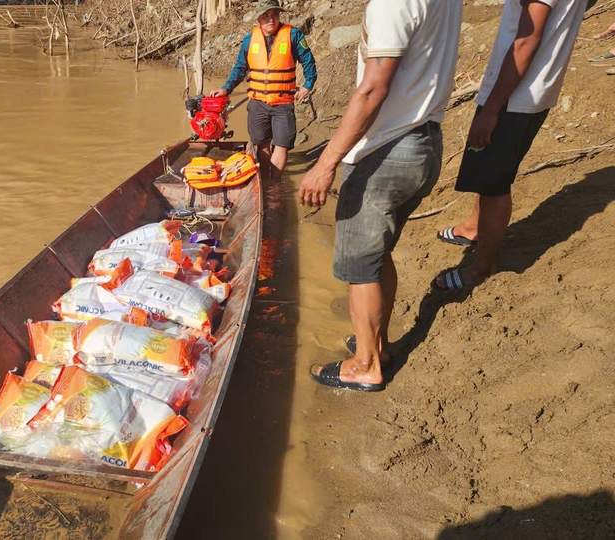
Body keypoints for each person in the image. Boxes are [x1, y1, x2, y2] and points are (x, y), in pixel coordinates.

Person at [298, 0, 462, 391]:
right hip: (423, 141)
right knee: (377, 255)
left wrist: (326, 163)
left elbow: (373, 89)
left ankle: (366, 365)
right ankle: (377, 345)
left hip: (386, 150)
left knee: (360, 266)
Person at [433, 0, 589, 291]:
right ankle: (474, 227)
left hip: (515, 95)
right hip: (532, 89)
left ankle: (481, 267)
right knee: (488, 172)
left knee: (494, 185)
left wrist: (492, 108)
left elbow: (526, 40)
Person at [210, 0, 317, 181]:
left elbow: (308, 61)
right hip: (258, 103)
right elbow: (239, 68)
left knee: (282, 145)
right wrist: (225, 89)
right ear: (258, 18)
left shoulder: (293, 35)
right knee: (262, 144)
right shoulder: (249, 40)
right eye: (266, 16)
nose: (271, 19)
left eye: (274, 15)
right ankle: (265, 181)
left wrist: (307, 85)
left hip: (283, 103)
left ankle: (274, 183)